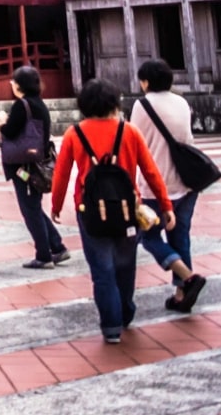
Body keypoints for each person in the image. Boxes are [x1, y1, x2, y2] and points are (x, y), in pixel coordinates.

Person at [50, 78, 174, 344]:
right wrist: (165, 205)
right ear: (115, 103)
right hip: (129, 210)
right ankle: (126, 310)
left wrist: (56, 205)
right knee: (125, 265)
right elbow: (150, 171)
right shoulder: (129, 131)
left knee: (102, 270)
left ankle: (111, 327)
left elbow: (61, 174)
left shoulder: (74, 133)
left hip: (91, 211)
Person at [129, 59, 208, 312]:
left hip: (156, 185)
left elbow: (133, 143)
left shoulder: (142, 105)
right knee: (180, 235)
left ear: (146, 82)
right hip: (187, 183)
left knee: (148, 236)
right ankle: (181, 295)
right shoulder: (181, 102)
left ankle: (187, 276)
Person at [0, 65, 71, 270]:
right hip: (37, 162)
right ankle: (57, 247)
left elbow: (12, 131)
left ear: (19, 85)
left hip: (24, 165)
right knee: (34, 207)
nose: (12, 84)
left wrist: (0, 122)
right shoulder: (38, 103)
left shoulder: (21, 105)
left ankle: (44, 255)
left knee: (30, 210)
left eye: (14, 81)